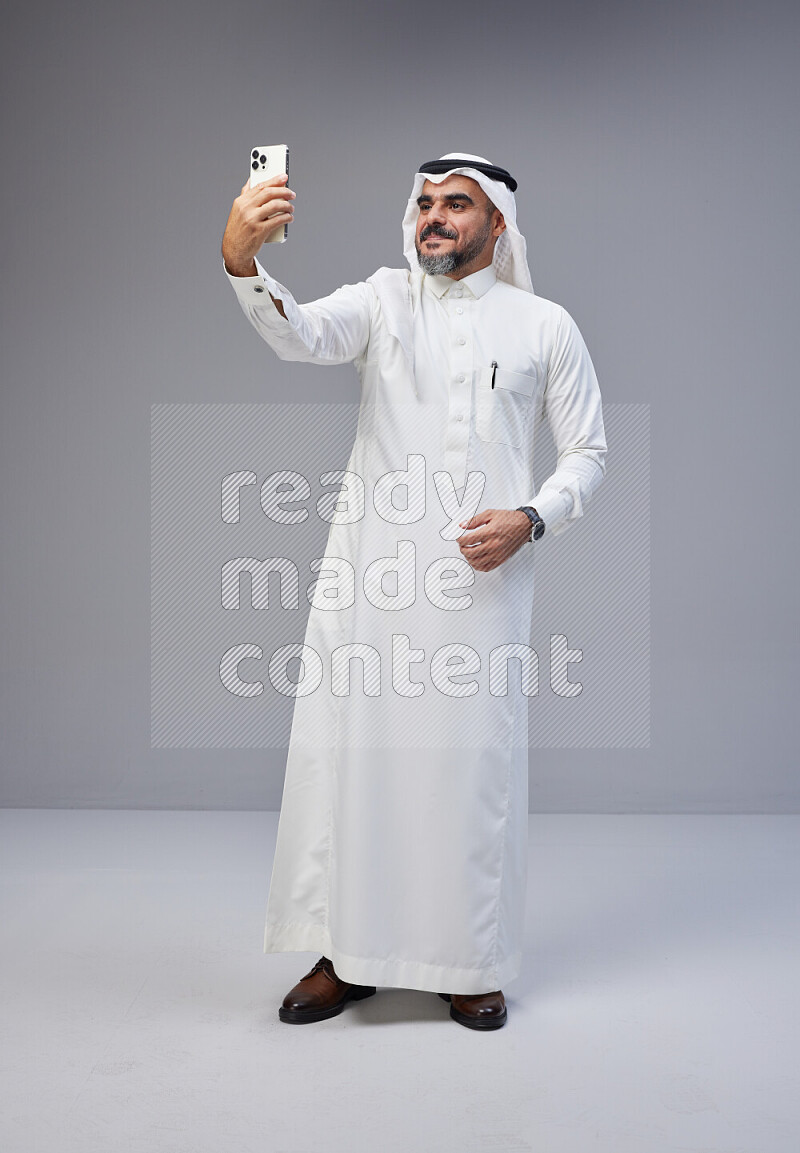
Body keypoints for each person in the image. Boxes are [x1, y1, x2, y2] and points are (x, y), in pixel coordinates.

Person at [221, 152, 607, 1030]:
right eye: (426, 203)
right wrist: (244, 263)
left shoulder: (545, 324)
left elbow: (589, 453)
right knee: (358, 766)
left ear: (497, 224)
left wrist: (530, 518)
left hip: (484, 591)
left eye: (457, 204)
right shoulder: (384, 301)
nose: (435, 217)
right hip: (375, 586)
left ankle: (466, 960)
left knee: (467, 775)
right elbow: (303, 333)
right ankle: (346, 954)